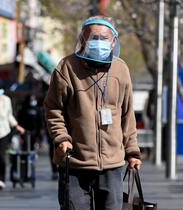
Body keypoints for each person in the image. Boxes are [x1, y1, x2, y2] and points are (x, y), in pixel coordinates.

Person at [44, 16, 142, 210]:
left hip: (112, 164)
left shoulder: (121, 69)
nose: (99, 42)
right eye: (93, 37)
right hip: (74, 163)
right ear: (83, 38)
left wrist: (132, 151)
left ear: (113, 41)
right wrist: (61, 138)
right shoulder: (66, 67)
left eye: (104, 38)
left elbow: (127, 115)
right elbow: (53, 108)